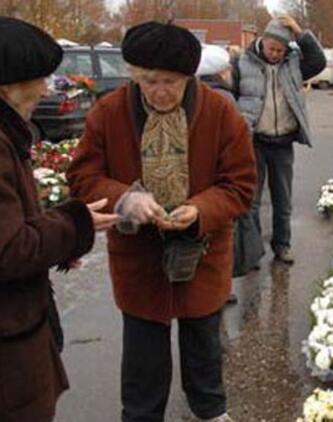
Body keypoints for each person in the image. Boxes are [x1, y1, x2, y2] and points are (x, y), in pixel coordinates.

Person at [67, 21, 257, 422]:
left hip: (201, 251)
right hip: (140, 257)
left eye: (171, 82)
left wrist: (200, 210)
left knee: (204, 342)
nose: (160, 92)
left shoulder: (221, 112)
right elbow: (83, 177)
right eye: (149, 81)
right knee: (143, 354)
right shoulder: (110, 111)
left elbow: (240, 185)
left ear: (190, 77)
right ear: (135, 75)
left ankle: (210, 411)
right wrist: (125, 199)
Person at [0, 17, 118, 422]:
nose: (47, 89)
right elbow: (11, 250)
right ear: (8, 85)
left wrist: (58, 231)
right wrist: (74, 224)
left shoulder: (9, 135)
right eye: (40, 79)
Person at [233, 15, 326, 265]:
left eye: (280, 50)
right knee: (251, 201)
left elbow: (319, 61)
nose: (275, 53)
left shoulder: (293, 63)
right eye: (271, 48)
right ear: (262, 41)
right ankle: (252, 253)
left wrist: (299, 32)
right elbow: (230, 98)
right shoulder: (242, 62)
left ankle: (282, 246)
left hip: (282, 142)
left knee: (282, 200)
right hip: (254, 141)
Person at [196, 45, 264, 289]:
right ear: (222, 72)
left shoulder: (196, 93)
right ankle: (220, 286)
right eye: (227, 69)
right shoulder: (224, 98)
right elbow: (236, 137)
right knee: (224, 234)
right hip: (221, 175)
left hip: (201, 176)